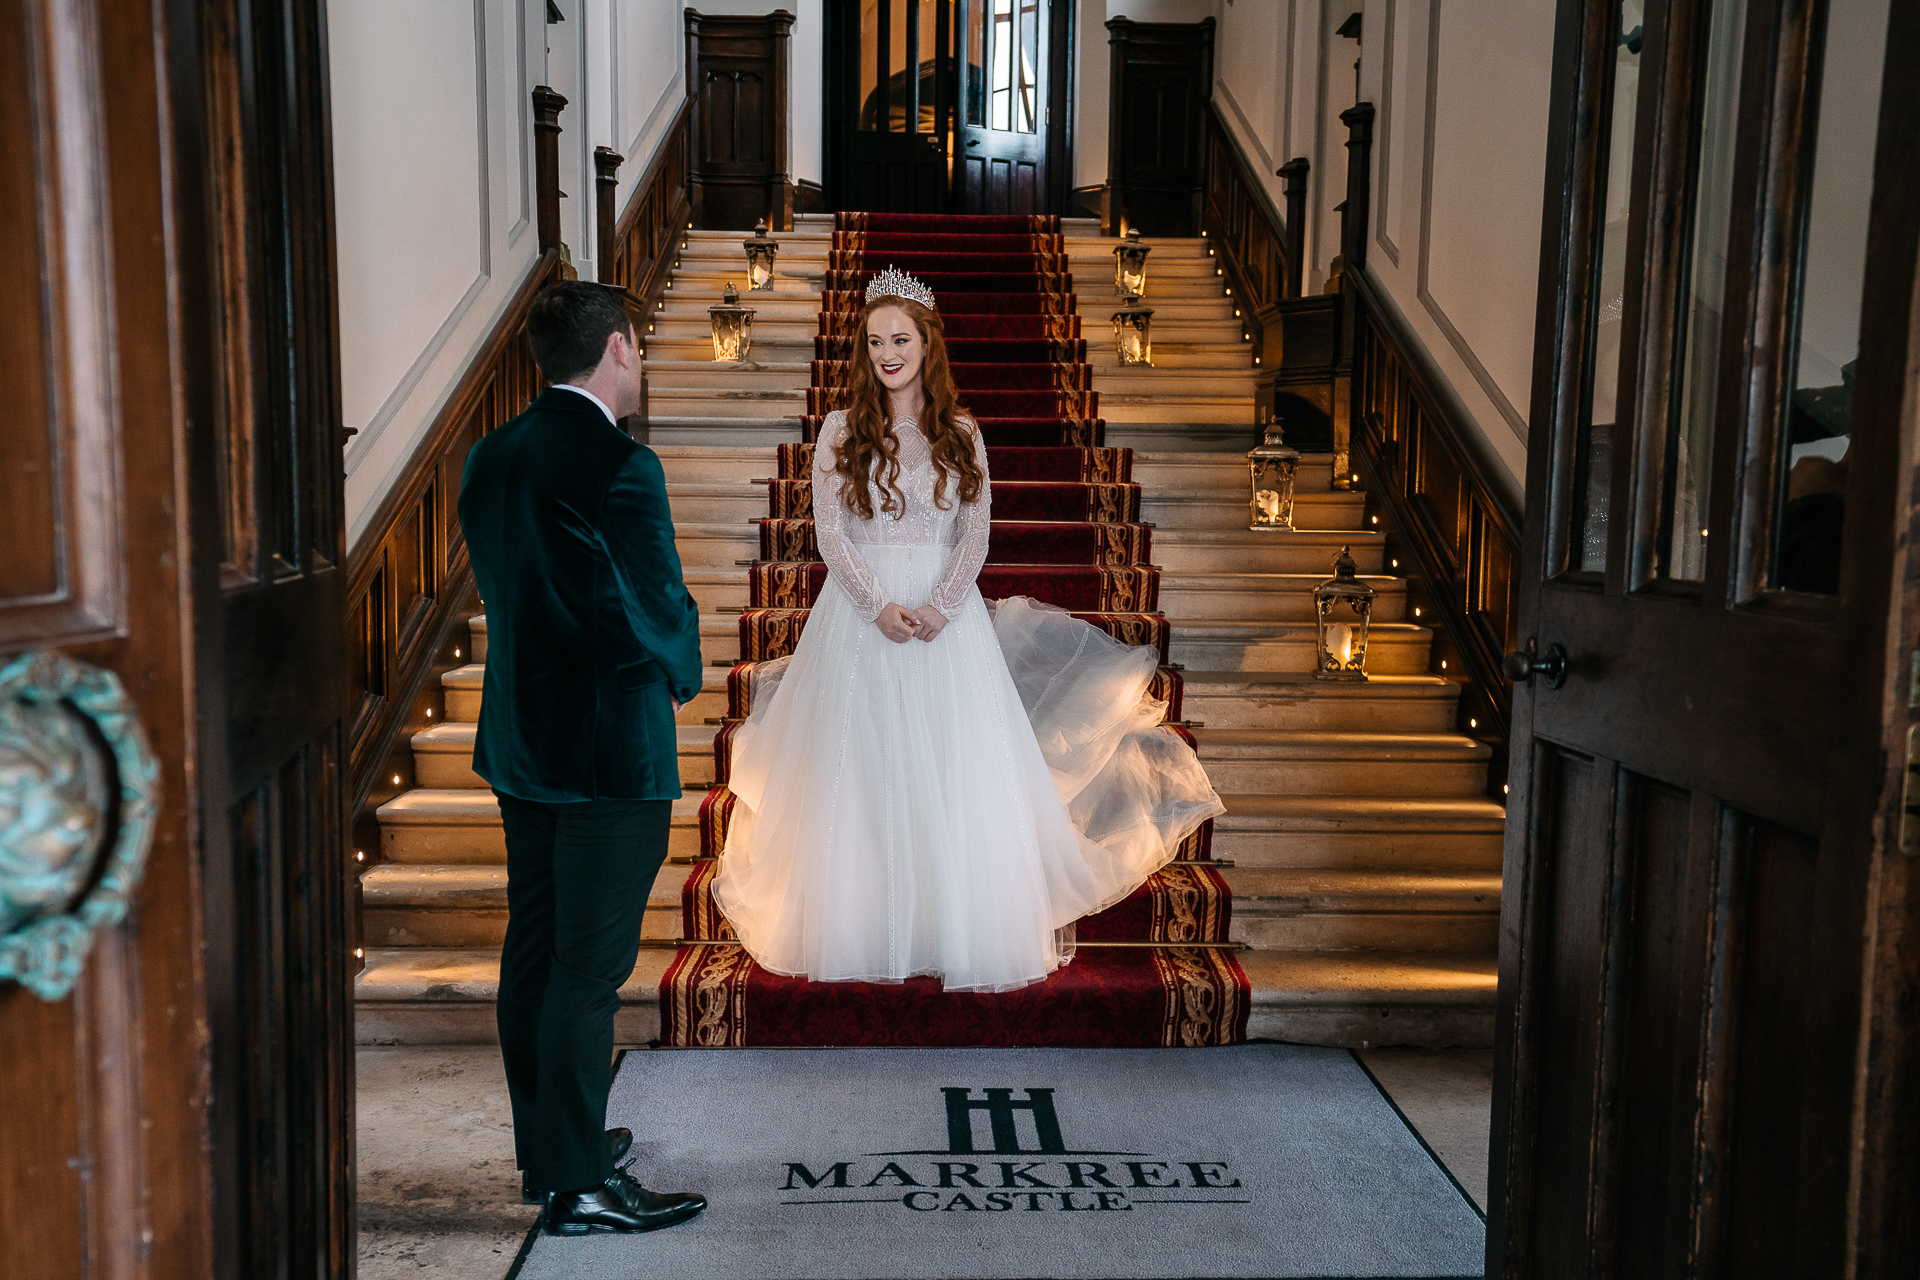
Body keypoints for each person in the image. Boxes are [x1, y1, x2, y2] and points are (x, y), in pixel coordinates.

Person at [710, 268, 1223, 992]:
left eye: (902, 339)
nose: (888, 353)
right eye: (876, 341)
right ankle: (861, 918)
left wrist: (944, 607)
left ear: (927, 345)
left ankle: (949, 919)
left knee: (950, 769)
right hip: (861, 622)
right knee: (861, 769)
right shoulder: (838, 431)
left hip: (946, 627)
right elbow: (831, 534)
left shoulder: (962, 433)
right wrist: (878, 605)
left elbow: (973, 538)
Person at [458, 280, 708, 1236]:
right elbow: (653, 602)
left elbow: (509, 590)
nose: (639, 364)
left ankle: (555, 1148)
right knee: (587, 971)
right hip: (609, 751)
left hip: (524, 739)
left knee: (534, 951)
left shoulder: (491, 455)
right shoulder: (619, 464)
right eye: (636, 348)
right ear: (613, 348)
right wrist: (681, 666)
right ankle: (580, 1190)